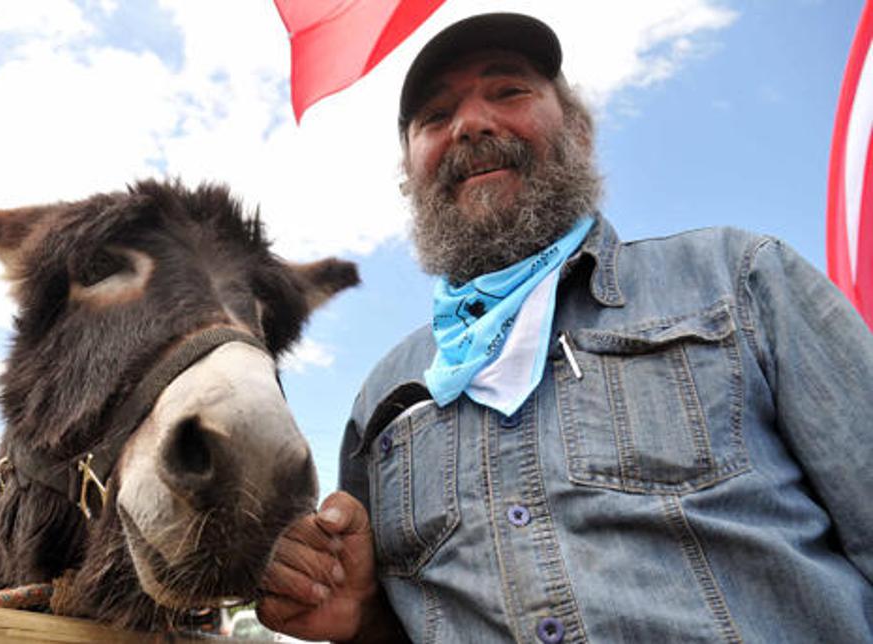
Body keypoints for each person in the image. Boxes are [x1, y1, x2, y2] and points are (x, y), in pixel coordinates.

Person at [257, 12, 873, 643]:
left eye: (508, 92)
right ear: (409, 173)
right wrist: (362, 619)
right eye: (435, 118)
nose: (470, 124)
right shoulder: (383, 399)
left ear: (577, 130)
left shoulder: (739, 278)